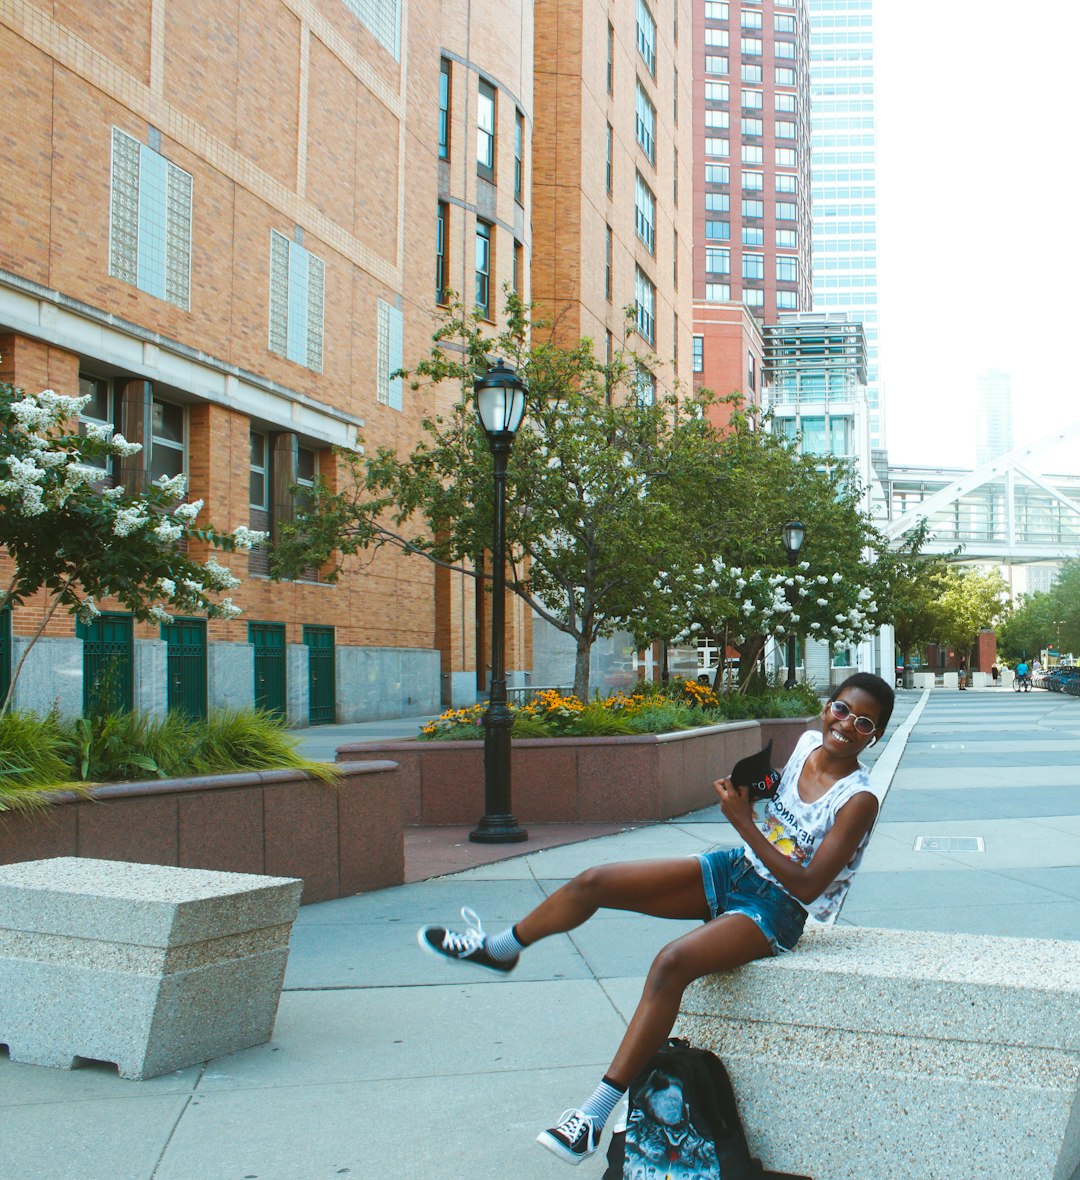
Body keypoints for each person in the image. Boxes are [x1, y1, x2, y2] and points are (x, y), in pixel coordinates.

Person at [417, 671, 895, 1166]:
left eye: (863, 723)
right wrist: (754, 786)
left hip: (776, 909)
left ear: (873, 736)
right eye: (841, 709)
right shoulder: (808, 742)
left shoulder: (858, 799)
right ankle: (502, 948)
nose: (845, 726)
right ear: (828, 707)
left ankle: (591, 1119)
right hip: (737, 869)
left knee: (671, 962)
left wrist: (743, 823)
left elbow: (808, 885)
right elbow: (780, 788)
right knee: (594, 881)